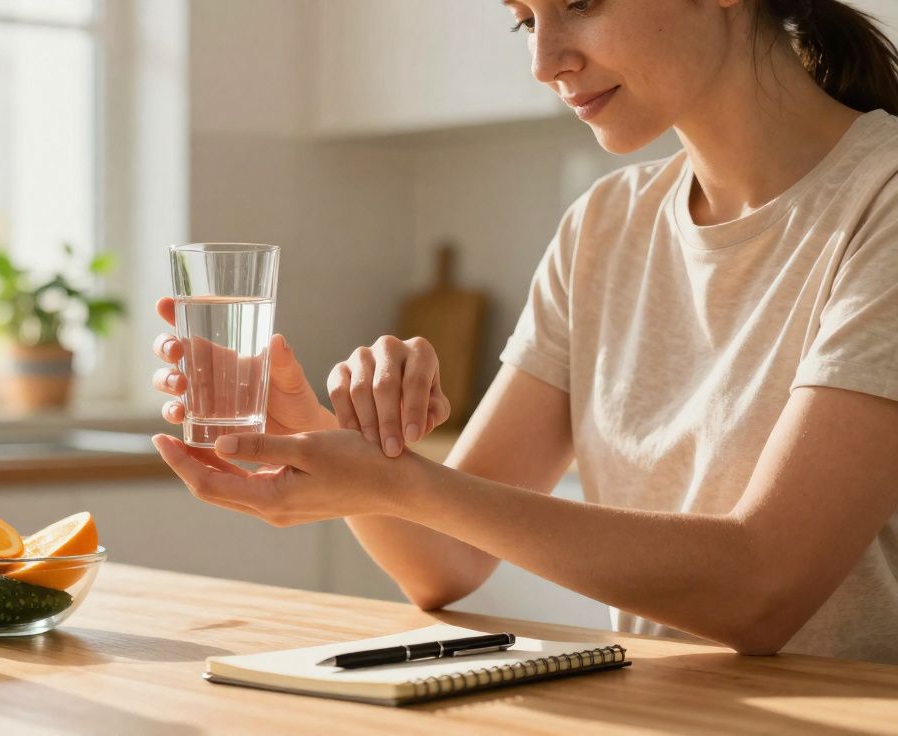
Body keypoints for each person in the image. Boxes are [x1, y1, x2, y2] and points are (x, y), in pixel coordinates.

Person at [150, 0, 898, 664]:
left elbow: (763, 589)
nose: (544, 62)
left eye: (581, 3)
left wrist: (404, 481)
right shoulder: (605, 225)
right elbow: (444, 561)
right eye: (524, 21)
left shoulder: (881, 201)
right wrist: (314, 435)